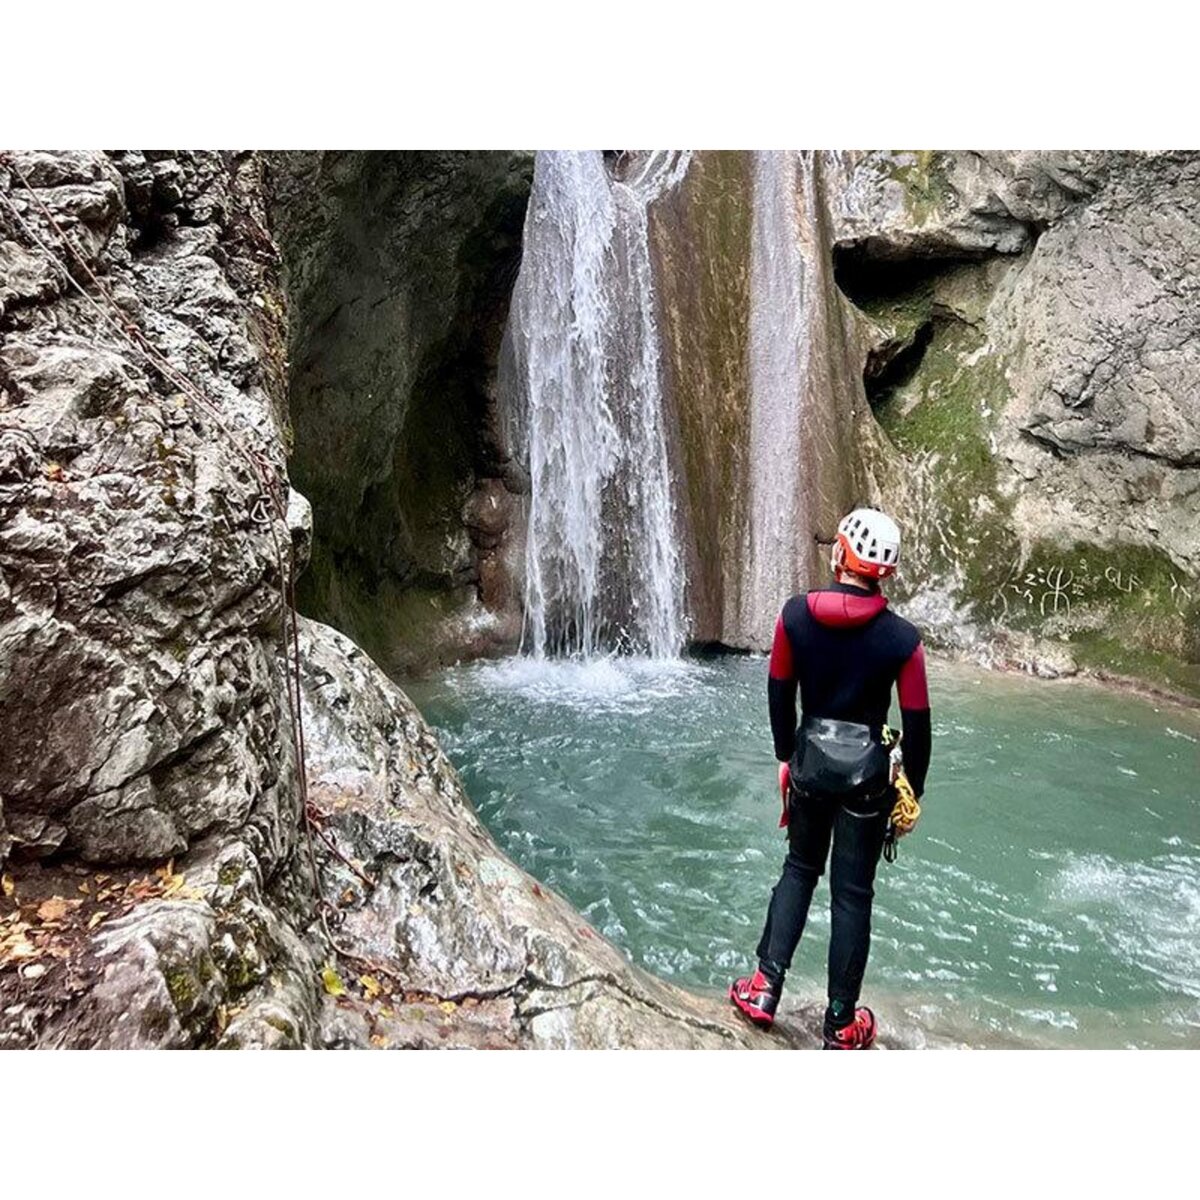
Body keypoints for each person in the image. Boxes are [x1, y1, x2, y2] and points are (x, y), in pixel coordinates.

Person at [729, 507, 931, 1049]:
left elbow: (779, 689)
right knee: (852, 896)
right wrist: (911, 789)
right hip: (868, 778)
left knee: (798, 869)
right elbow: (917, 725)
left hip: (810, 765)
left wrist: (784, 756)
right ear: (883, 571)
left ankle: (764, 988)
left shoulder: (794, 616)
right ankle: (842, 1022)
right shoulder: (903, 640)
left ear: (842, 553)